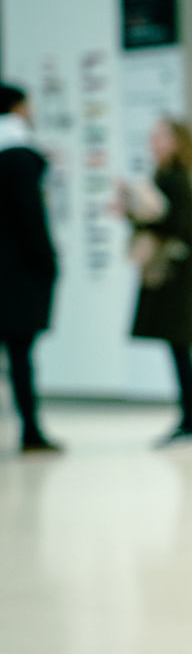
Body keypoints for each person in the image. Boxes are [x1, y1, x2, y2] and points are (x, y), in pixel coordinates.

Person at [121, 118, 192, 445]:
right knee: (179, 348)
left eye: (160, 136)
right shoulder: (167, 176)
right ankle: (187, 419)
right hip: (177, 274)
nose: (153, 141)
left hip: (177, 276)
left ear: (176, 141)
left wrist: (138, 210)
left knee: (181, 347)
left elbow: (175, 225)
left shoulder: (175, 178)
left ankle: (189, 420)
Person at [0, 83, 61, 453]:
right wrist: (48, 263)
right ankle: (31, 430)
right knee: (21, 356)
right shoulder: (21, 157)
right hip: (16, 275)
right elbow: (31, 220)